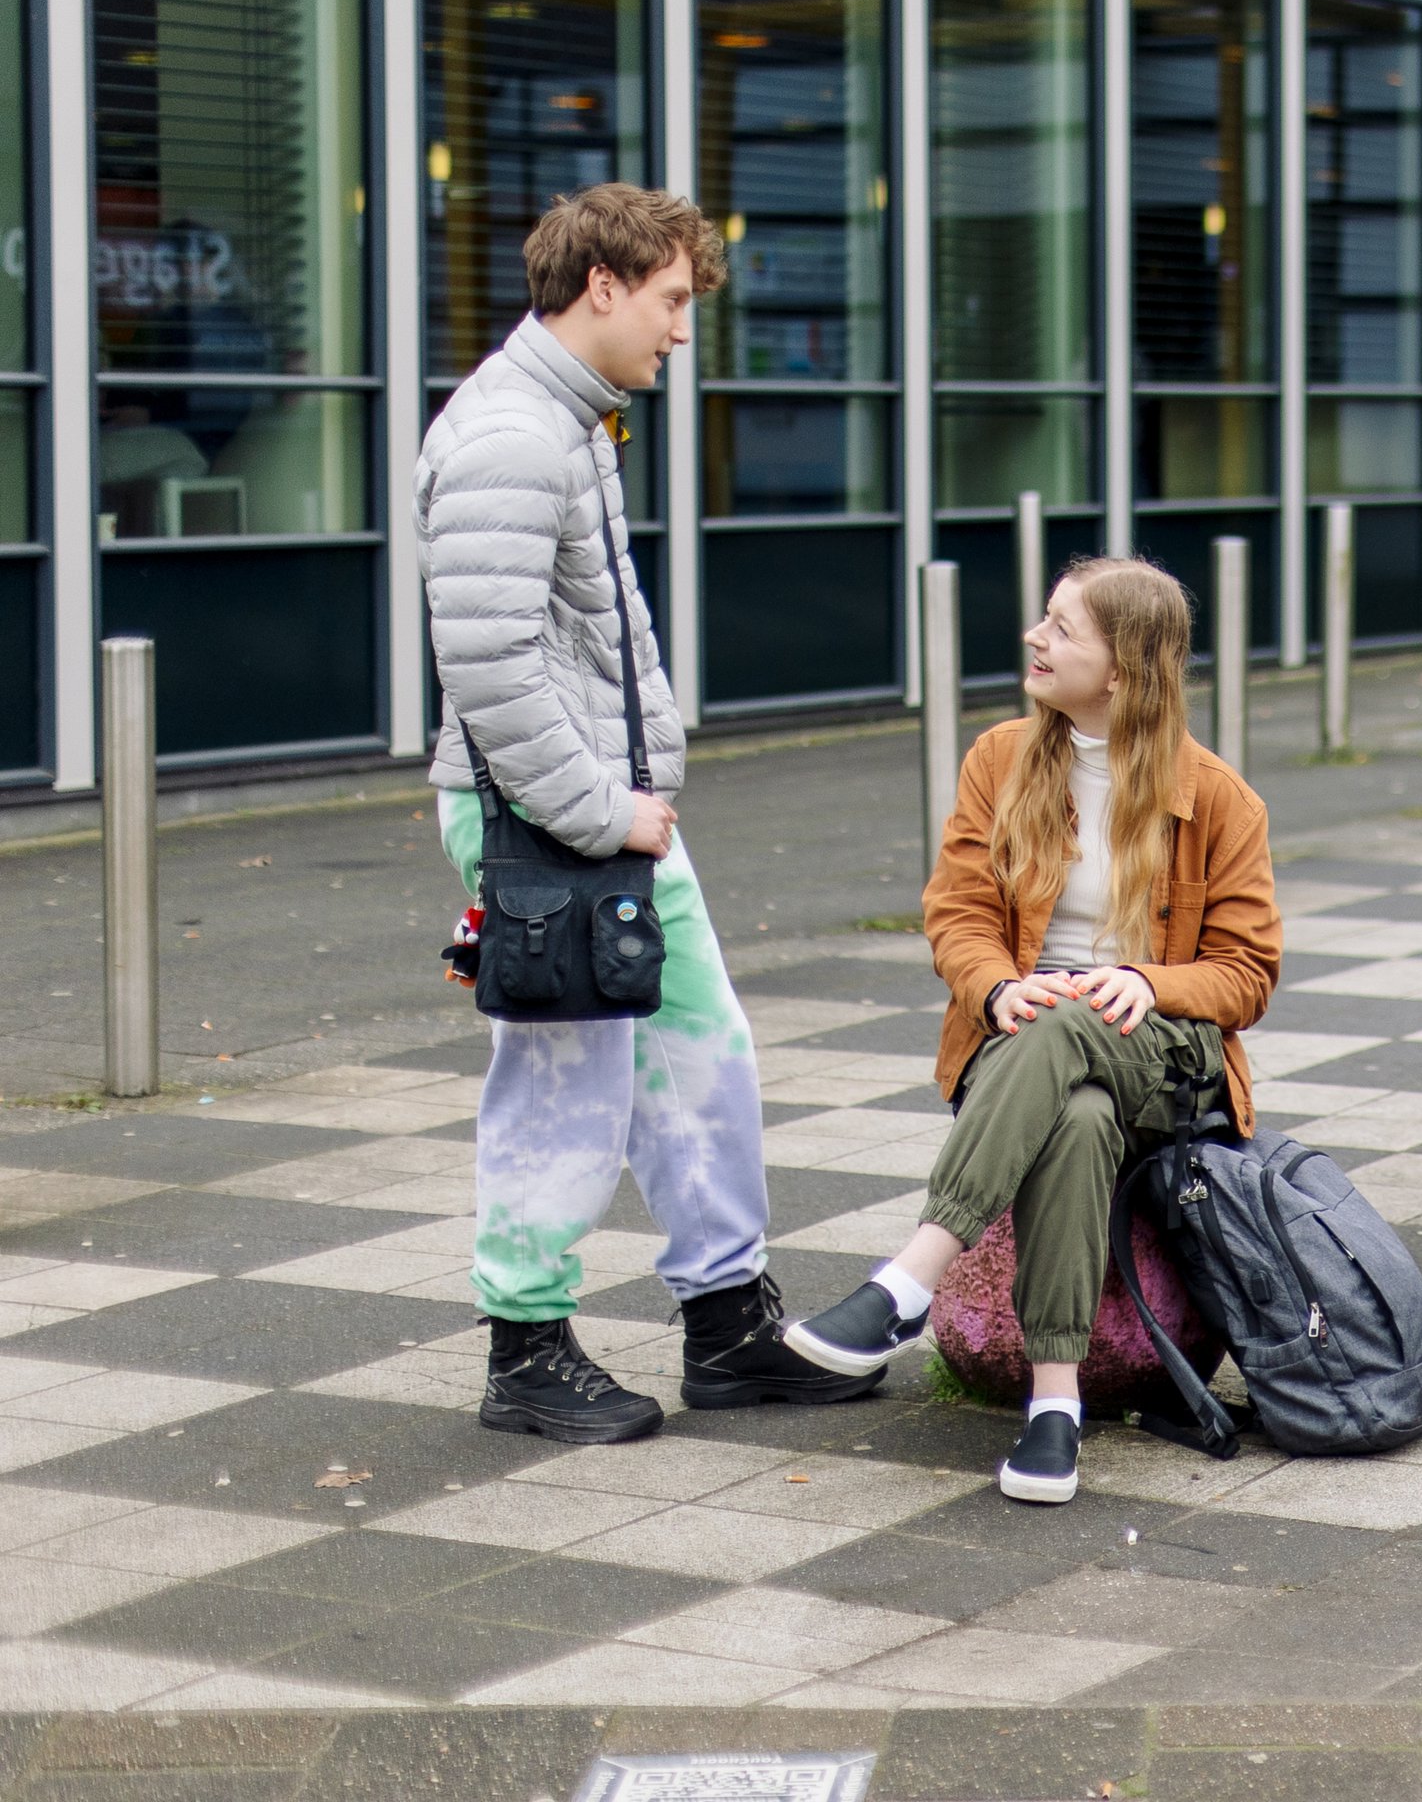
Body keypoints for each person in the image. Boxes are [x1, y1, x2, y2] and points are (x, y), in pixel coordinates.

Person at [421, 183, 867, 1446]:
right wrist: (604, 810)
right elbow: (494, 669)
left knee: (698, 1057)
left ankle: (727, 1327)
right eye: (672, 301)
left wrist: (633, 798)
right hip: (545, 823)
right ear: (602, 286)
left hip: (598, 821)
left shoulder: (571, 421)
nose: (682, 328)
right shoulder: (513, 435)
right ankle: (526, 1350)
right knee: (562, 1088)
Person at [783, 557, 1282, 1502]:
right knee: (1079, 1111)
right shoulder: (1001, 759)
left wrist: (1146, 978)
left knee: (1078, 1027)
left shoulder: (1218, 799)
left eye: (1061, 629)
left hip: (1165, 1058)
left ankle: (910, 1280)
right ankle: (1056, 1406)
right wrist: (997, 987)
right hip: (1025, 1045)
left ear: (1124, 672)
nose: (1035, 640)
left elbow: (1248, 973)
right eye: (1043, 620)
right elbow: (958, 912)